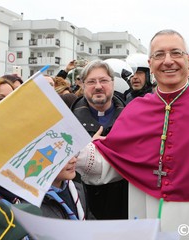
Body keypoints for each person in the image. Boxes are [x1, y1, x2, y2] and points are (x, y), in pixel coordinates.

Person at [76, 29, 189, 239]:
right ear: (150, 63)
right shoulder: (135, 110)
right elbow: (111, 163)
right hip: (146, 213)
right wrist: (76, 152)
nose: (168, 61)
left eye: (176, 53)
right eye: (159, 55)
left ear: (188, 59)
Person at [71, 60, 128, 220]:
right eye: (91, 81)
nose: (98, 86)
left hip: (123, 206)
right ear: (82, 85)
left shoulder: (131, 117)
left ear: (113, 83)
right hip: (84, 205)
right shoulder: (68, 120)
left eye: (103, 80)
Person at [40, 156, 95, 220]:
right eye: (63, 157)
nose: (74, 160)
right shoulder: (35, 202)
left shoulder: (76, 184)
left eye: (72, 154)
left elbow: (88, 218)